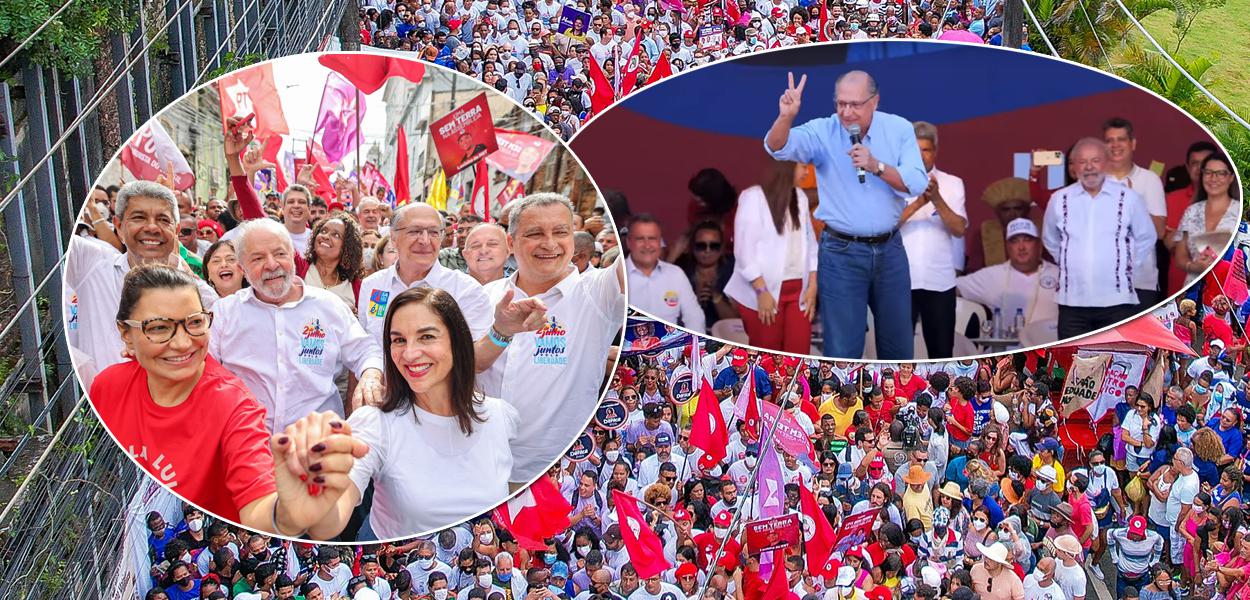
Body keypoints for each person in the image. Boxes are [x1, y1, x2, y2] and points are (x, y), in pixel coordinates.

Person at [89, 265, 367, 535]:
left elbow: (257, 502)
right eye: (159, 328)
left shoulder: (234, 406)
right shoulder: (108, 387)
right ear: (126, 333)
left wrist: (285, 513)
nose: (183, 343)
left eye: (194, 323)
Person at [301, 286, 519, 539]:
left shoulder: (500, 416)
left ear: (456, 340)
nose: (410, 353)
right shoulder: (374, 422)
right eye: (399, 340)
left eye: (426, 337)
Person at [764, 70, 928, 359]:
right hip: (841, 252)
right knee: (842, 349)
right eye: (841, 104)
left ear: (874, 102)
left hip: (890, 250)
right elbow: (777, 148)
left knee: (899, 346)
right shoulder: (823, 131)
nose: (847, 112)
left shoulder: (899, 129)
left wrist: (876, 165)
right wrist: (786, 117)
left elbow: (917, 183)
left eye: (855, 104)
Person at [478, 193, 625, 483]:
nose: (550, 243)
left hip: (549, 474)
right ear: (511, 243)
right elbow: (464, 365)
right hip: (477, 464)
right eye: (535, 233)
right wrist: (501, 332)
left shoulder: (598, 293)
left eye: (561, 232)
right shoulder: (485, 296)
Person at [209, 219, 385, 432]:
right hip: (248, 445)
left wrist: (371, 375)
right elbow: (205, 373)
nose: (272, 264)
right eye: (257, 258)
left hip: (319, 444)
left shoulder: (328, 306)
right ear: (241, 268)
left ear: (292, 256)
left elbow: (365, 351)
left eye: (280, 254)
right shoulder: (223, 313)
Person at [66, 181, 219, 385]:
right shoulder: (92, 264)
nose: (152, 228)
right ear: (118, 226)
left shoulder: (202, 296)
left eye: (163, 220)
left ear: (176, 230)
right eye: (139, 218)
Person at [1042, 137, 1157, 339]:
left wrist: (1128, 266)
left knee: (1114, 362)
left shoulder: (1128, 198)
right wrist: (1071, 262)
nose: (1089, 167)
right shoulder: (1059, 199)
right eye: (1082, 162)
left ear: (1106, 163)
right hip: (1072, 304)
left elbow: (1147, 237)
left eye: (1095, 160)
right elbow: (1050, 239)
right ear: (1074, 167)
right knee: (1071, 364)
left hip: (1117, 303)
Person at [725, 159, 818, 354]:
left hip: (798, 293)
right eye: (803, 167)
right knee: (767, 356)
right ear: (787, 167)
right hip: (763, 292)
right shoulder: (753, 197)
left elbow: (811, 245)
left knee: (798, 356)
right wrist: (761, 291)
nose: (807, 173)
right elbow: (743, 251)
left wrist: (812, 285)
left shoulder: (800, 196)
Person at [898, 121, 967, 359]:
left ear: (935, 151)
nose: (920, 156)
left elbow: (959, 228)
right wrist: (918, 203)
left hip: (940, 282)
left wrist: (936, 198)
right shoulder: (894, 182)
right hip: (900, 281)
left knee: (941, 353)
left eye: (925, 150)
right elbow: (885, 227)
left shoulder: (952, 183)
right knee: (897, 354)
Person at [955, 219, 1060, 347]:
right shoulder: (993, 276)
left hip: (1051, 354)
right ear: (1007, 246)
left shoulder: (1059, 275)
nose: (1021, 247)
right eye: (1014, 241)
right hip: (1006, 356)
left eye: (1027, 239)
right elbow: (952, 287)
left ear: (1039, 244)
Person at [1102, 117, 1167, 307]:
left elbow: (1160, 231)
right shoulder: (1094, 182)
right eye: (1109, 140)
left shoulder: (1150, 180)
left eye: (1121, 139)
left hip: (1141, 282)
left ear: (1133, 143)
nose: (1115, 145)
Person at [626, 213, 706, 333]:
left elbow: (694, 317)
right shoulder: (617, 274)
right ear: (629, 243)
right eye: (640, 239)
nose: (647, 245)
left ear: (660, 242)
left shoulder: (676, 274)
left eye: (652, 238)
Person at [1172, 153, 1240, 286]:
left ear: (1231, 177)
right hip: (1193, 287)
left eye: (1221, 173)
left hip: (1228, 288)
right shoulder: (1192, 212)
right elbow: (1180, 258)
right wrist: (1194, 266)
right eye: (1208, 172)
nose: (1213, 178)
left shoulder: (1239, 212)